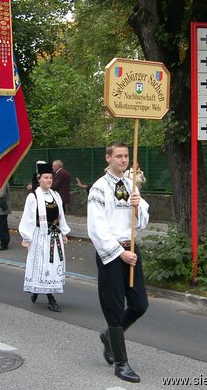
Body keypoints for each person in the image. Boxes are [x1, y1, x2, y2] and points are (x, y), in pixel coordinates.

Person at [87, 141, 149, 383]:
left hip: (131, 248)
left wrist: (136, 208)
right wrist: (119, 252)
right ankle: (121, 364)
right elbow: (96, 228)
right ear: (108, 158)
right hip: (111, 253)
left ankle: (108, 337)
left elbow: (143, 220)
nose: (123, 160)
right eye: (119, 156)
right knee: (114, 307)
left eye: (126, 157)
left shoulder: (131, 185)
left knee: (139, 304)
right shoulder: (99, 189)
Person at [18, 162, 70, 312]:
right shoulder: (33, 197)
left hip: (54, 235)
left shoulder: (56, 195)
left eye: (50, 178)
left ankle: (41, 290)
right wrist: (26, 237)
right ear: (39, 179)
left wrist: (63, 232)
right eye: (46, 178)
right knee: (43, 265)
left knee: (53, 265)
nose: (49, 180)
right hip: (40, 236)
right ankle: (50, 298)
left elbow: (61, 215)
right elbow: (27, 218)